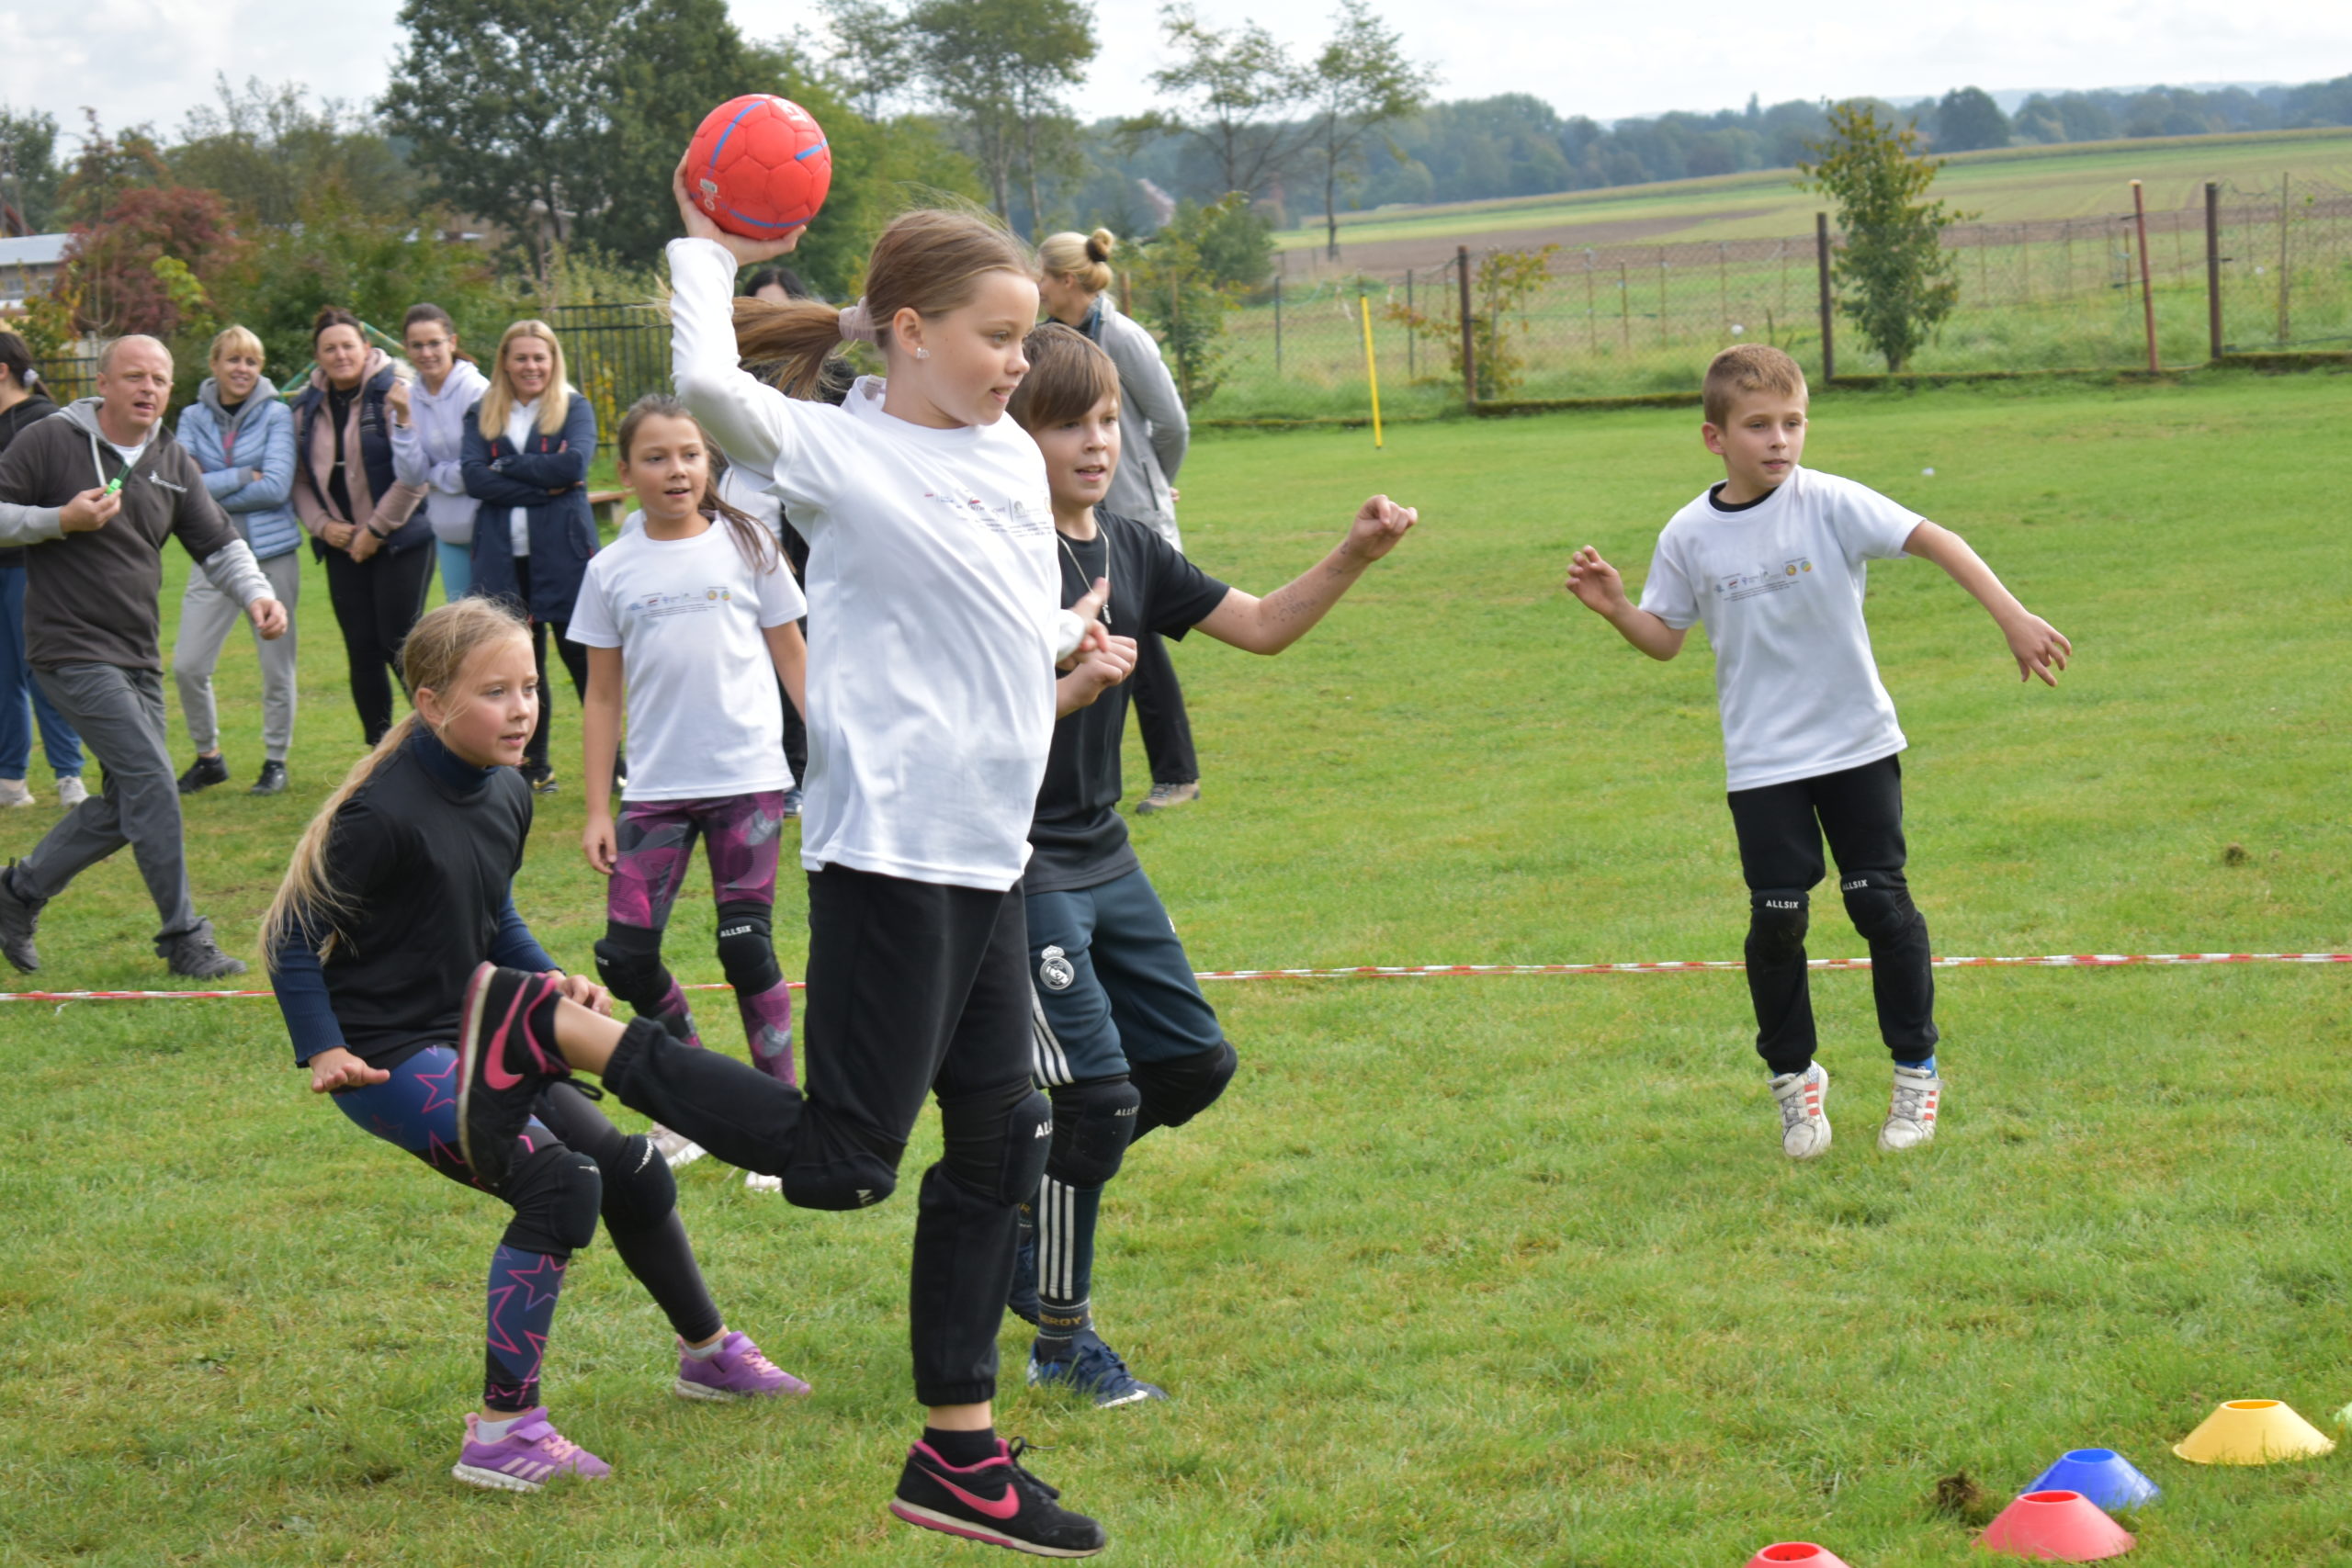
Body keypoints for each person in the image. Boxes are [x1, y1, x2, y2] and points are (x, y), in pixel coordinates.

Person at [442, 170, 1121, 1557]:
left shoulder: (1000, 451)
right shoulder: (833, 447)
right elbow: (702, 373)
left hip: (990, 851)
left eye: (1023, 336)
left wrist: (1063, 643)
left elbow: (1000, 599)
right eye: (996, 336)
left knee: (1007, 1135)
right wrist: (705, 248)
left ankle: (960, 1456)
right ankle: (553, 1024)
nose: (1019, 361)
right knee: (843, 1160)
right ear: (908, 331)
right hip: (894, 850)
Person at [265, 597, 805, 1494]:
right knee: (559, 1184)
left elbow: (494, 910)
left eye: (529, 688)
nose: (523, 710)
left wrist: (550, 979)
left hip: (476, 1026)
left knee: (633, 1170)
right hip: (386, 1054)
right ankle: (502, 1431)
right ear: (431, 702)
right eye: (495, 694)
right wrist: (321, 1048)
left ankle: (708, 1355)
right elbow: (290, 935)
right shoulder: (380, 815)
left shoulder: (507, 788)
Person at [1003, 323, 1419, 1404]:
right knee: (1093, 1097)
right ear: (1013, 433)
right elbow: (957, 719)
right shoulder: (991, 556)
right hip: (1018, 867)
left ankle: (1027, 1211)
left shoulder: (1132, 545)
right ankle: (1060, 1338)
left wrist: (1356, 552)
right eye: (1066, 423)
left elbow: (1267, 625)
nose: (1096, 441)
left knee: (1190, 1065)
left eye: (1105, 419)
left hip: (1106, 855)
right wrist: (1064, 680)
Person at [1564, 344, 2073, 1159]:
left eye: (1793, 423)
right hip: (1762, 762)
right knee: (1777, 919)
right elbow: (1665, 640)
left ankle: (1916, 1071)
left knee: (1879, 903)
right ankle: (1795, 1084)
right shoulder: (1687, 534)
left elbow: (1936, 538)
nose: (1780, 441)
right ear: (1714, 437)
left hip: (1855, 744)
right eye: (1758, 425)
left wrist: (2011, 615)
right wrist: (1618, 606)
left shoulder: (1830, 502)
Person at [573, 395, 808, 1185]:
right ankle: (696, 1097)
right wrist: (599, 807)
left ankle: (781, 1120)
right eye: (656, 457)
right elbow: (601, 696)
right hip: (656, 794)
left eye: (690, 455)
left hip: (747, 781)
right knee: (624, 957)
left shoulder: (750, 544)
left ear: (709, 465)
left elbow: (794, 658)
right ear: (626, 472)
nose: (676, 470)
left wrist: (834, 751)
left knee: (745, 947)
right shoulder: (609, 569)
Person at [0, 334, 287, 977]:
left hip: (135, 653)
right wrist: (57, 520)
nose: (148, 388)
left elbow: (218, 543)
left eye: (159, 378)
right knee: (154, 780)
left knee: (134, 800)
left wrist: (258, 595)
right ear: (103, 381)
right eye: (134, 375)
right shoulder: (49, 440)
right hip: (67, 648)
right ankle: (185, 937)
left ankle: (17, 892)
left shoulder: (170, 459)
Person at [1037, 228, 1202, 816]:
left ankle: (1177, 774)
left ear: (1068, 281)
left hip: (1130, 516)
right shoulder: (1054, 341)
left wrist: (1154, 480)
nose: (1036, 285)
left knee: (1142, 650)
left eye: (1042, 275)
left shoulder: (1122, 337)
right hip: (1076, 517)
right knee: (1098, 644)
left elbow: (1172, 422)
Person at [461, 319, 603, 795]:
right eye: (520, 357)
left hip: (562, 553)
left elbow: (574, 465)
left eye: (539, 357)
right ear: (504, 361)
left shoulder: (574, 406)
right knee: (518, 669)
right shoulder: (483, 411)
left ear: (553, 361)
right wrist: (547, 488)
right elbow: (473, 477)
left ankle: (616, 761)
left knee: (581, 659)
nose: (530, 366)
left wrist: (508, 467)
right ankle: (531, 765)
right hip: (503, 557)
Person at [290, 307, 433, 748]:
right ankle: (380, 751)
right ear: (318, 357)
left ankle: (441, 738)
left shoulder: (396, 393)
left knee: (401, 644)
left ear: (366, 349)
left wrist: (374, 530)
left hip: (400, 540)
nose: (340, 355)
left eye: (348, 346)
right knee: (361, 648)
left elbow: (416, 477)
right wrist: (323, 525)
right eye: (329, 349)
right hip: (340, 545)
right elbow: (297, 480)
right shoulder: (304, 409)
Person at [171, 325, 302, 796]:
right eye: (233, 360)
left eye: (251, 361)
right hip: (211, 553)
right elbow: (182, 486)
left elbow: (277, 487)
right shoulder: (189, 416)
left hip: (271, 554)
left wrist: (215, 482)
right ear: (215, 364)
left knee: (275, 665)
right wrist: (245, 472)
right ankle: (209, 758)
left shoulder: (277, 415)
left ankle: (275, 760)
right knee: (188, 664)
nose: (242, 369)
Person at [0, 332, 85, 809]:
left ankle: (69, 774)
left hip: (32, 569)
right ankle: (10, 779)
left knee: (42, 673)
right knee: (2, 676)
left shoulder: (47, 423)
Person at [388, 303, 491, 604]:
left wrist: (435, 475)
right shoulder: (408, 398)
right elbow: (411, 475)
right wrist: (403, 419)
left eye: (434, 343)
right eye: (417, 345)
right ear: (406, 348)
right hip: (447, 531)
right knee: (461, 628)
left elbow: (481, 467)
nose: (426, 353)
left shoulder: (477, 391)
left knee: (501, 623)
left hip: (489, 528)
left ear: (452, 342)